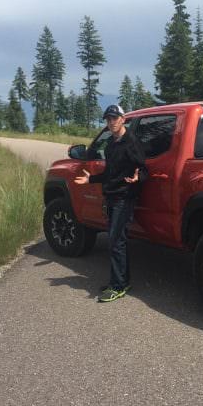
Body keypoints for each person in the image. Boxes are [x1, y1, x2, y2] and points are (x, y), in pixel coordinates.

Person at [74, 104, 148, 302]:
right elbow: (109, 174)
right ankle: (121, 281)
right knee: (118, 241)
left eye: (114, 118)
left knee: (115, 242)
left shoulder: (132, 142)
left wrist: (137, 178)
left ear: (123, 119)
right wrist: (90, 180)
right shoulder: (111, 145)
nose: (111, 122)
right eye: (108, 119)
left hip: (125, 197)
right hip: (112, 196)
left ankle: (118, 286)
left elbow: (143, 169)